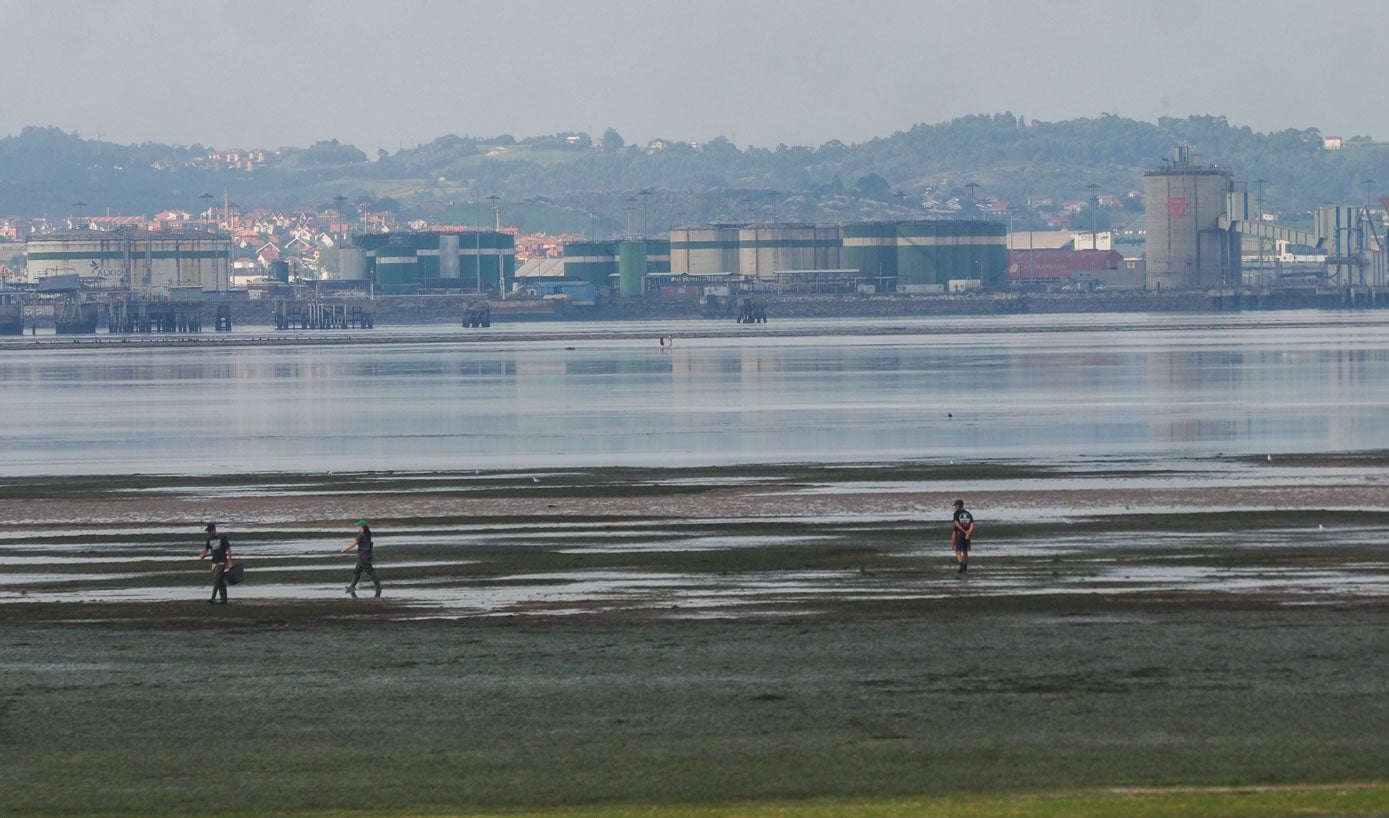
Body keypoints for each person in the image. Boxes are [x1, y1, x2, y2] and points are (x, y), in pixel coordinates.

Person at [341, 520, 381, 597]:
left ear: (361, 527)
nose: (357, 527)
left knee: (370, 571)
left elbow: (353, 544)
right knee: (357, 571)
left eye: (358, 526)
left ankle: (378, 587)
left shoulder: (361, 535)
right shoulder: (368, 534)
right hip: (366, 555)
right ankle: (352, 587)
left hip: (364, 556)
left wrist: (345, 549)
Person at [199, 522, 233, 604]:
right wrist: (202, 554)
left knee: (216, 579)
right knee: (220, 580)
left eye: (210, 531)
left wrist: (230, 562)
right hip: (214, 562)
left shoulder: (222, 537)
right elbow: (206, 548)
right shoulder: (209, 539)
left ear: (214, 529)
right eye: (208, 531)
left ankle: (213, 597)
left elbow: (228, 550)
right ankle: (223, 599)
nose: (209, 533)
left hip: (222, 561)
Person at [950, 499, 974, 574]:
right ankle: (965, 567)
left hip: (960, 534)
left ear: (958, 506)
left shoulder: (956, 513)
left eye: (955, 506)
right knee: (965, 551)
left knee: (958, 551)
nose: (955, 507)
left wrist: (963, 531)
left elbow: (956, 523)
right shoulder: (968, 514)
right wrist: (968, 533)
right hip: (967, 535)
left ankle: (961, 566)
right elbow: (972, 525)